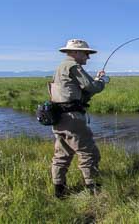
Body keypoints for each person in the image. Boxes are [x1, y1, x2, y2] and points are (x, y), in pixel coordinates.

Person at [49, 39, 109, 198]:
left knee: (62, 155)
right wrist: (102, 81)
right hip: (72, 119)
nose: (88, 57)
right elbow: (92, 87)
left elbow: (78, 93)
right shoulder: (72, 66)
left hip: (59, 118)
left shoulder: (60, 68)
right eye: (86, 53)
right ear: (75, 52)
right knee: (89, 153)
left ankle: (59, 191)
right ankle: (93, 189)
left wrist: (95, 80)